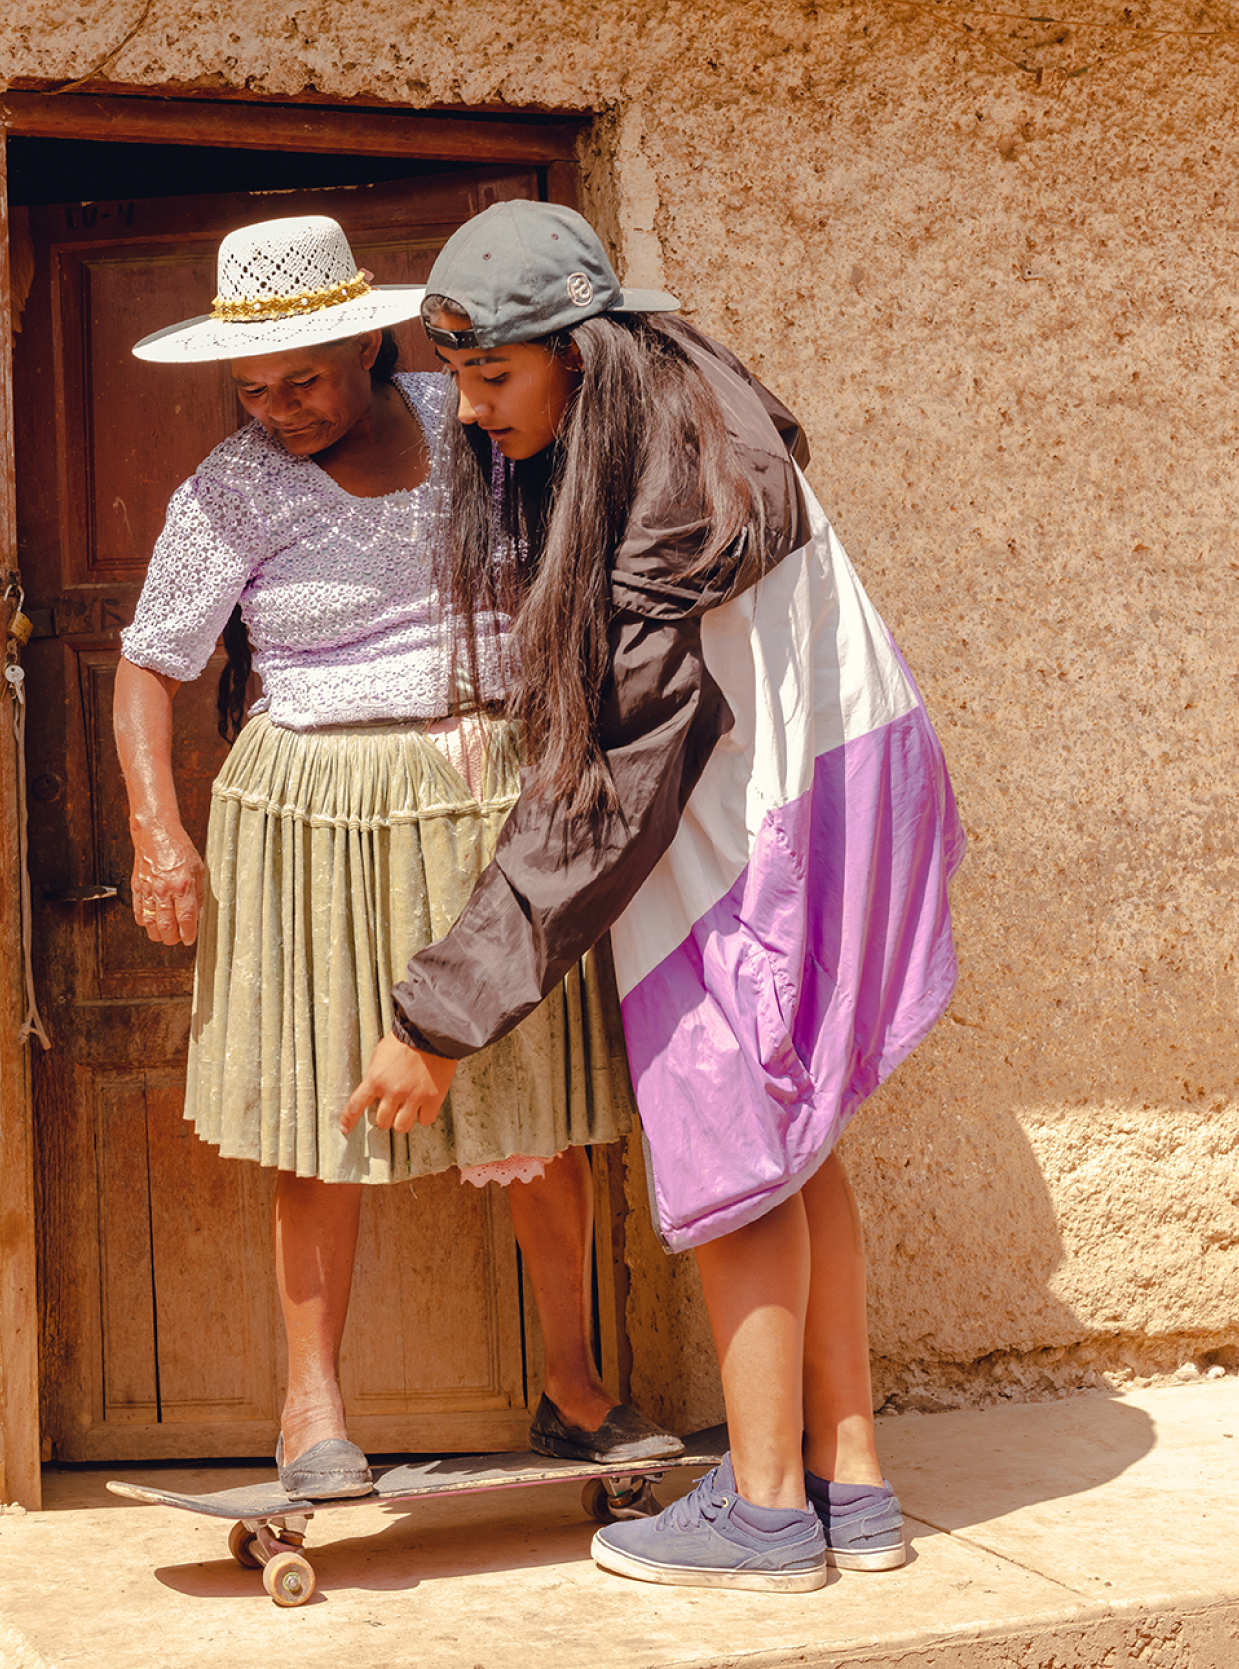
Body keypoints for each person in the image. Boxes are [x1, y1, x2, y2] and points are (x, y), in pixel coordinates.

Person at [343, 201, 963, 1589]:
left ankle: (759, 1515)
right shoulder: (689, 410)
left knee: (737, 1154)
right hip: (852, 788)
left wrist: (439, 1017)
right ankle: (849, 1487)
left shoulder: (670, 501)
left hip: (757, 834)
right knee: (803, 1147)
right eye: (455, 376)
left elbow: (612, 790)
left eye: (493, 375)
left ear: (580, 348)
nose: (469, 408)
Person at [114, 213, 679, 1501]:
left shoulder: (473, 417)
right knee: (321, 1108)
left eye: (302, 378)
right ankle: (310, 1409)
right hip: (313, 806)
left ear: (367, 337)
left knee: (530, 1097)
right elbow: (151, 664)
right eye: (251, 388)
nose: (280, 410)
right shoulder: (231, 489)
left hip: (491, 789)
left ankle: (574, 1386)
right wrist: (160, 833)